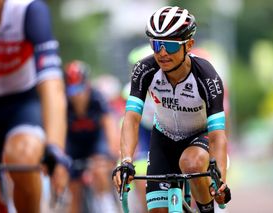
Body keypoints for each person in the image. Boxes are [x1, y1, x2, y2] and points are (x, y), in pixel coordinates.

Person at [112, 6, 231, 213]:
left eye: (171, 46)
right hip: (164, 139)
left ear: (189, 45)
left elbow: (218, 135)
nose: (162, 53)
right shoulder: (144, 70)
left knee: (191, 163)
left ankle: (206, 209)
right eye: (156, 44)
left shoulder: (207, 76)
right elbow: (131, 119)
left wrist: (219, 180)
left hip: (199, 137)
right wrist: (126, 160)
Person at [0, 0, 70, 212]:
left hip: (22, 103)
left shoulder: (28, 11)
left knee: (23, 158)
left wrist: (55, 149)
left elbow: (52, 86)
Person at [64, 60, 121, 213]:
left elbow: (110, 126)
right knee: (73, 187)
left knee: (100, 168)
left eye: (80, 89)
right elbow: (59, 131)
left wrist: (113, 153)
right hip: (74, 143)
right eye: (72, 91)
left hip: (96, 141)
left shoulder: (97, 98)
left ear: (87, 85)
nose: (77, 96)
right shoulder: (63, 102)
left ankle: (105, 205)